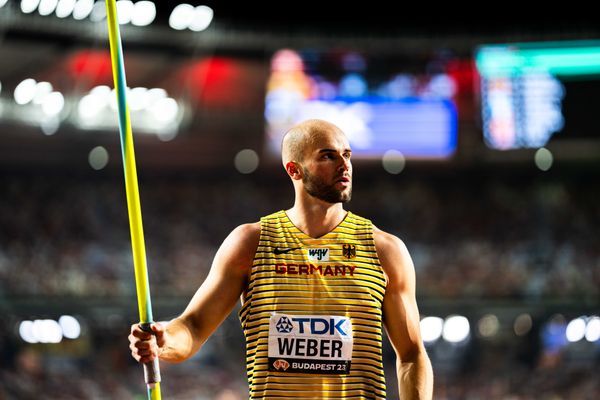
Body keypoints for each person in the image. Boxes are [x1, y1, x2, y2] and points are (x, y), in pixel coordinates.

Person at [129, 119, 434, 399]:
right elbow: (193, 328)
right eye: (328, 155)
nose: (345, 165)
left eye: (347, 154)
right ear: (294, 169)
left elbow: (411, 355)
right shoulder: (251, 242)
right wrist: (164, 340)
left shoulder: (384, 250)